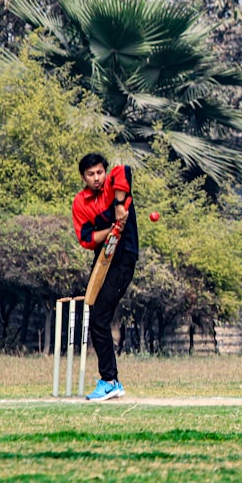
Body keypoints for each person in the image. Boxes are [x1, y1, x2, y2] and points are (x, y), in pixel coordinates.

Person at [72, 153, 139, 400]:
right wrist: (111, 229)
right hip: (103, 258)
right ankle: (111, 380)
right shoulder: (81, 202)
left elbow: (124, 170)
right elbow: (86, 239)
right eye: (91, 174)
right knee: (95, 316)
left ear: (104, 172)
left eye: (100, 172)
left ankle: (110, 381)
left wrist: (120, 205)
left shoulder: (114, 184)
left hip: (124, 257)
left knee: (100, 318)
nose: (97, 178)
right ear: (83, 177)